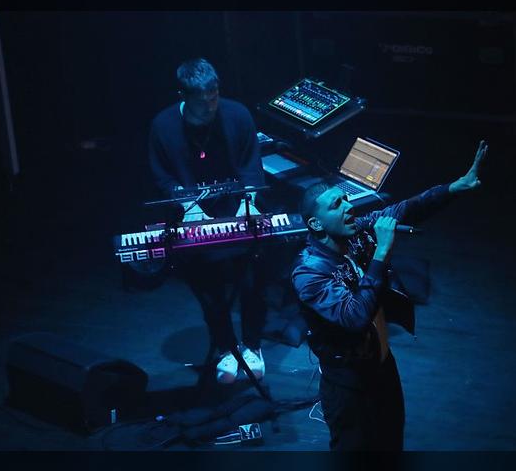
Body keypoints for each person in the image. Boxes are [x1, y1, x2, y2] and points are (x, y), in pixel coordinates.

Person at [291, 140, 488, 450]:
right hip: (349, 386)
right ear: (315, 224)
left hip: (383, 370)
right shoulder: (309, 273)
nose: (349, 207)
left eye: (346, 199)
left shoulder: (357, 234)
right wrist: (382, 253)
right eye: (336, 205)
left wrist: (454, 188)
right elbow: (354, 317)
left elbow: (407, 208)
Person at [148, 57, 267, 384]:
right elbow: (162, 176)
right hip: (191, 213)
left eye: (214, 98)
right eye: (202, 105)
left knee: (253, 278)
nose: (210, 108)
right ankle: (227, 348)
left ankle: (253, 346)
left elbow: (251, 165)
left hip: (236, 206)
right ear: (183, 96)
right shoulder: (163, 125)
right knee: (208, 285)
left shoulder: (237, 115)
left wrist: (250, 202)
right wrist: (188, 206)